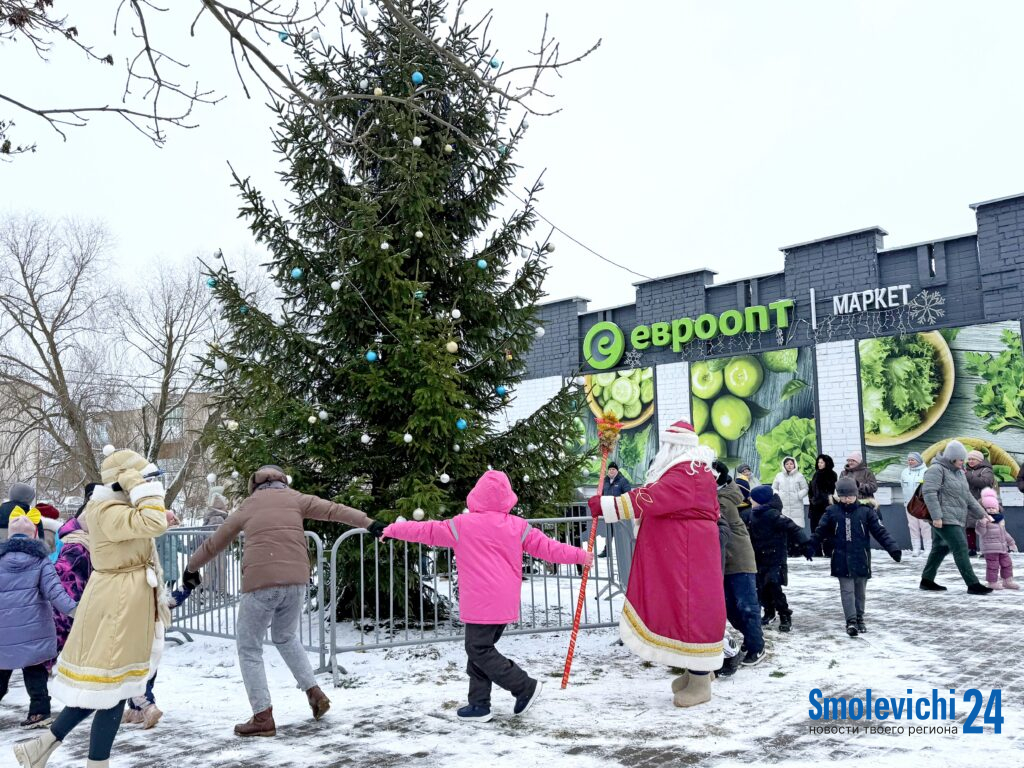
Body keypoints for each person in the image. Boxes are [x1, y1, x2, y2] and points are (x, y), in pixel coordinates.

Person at [183, 465, 385, 737]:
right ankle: (314, 693)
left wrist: (191, 569)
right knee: (285, 636)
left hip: (261, 583)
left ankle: (262, 716)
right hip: (296, 581)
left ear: (253, 486)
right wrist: (369, 523)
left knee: (249, 646)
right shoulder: (296, 498)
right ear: (283, 481)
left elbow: (215, 543)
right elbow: (334, 510)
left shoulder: (248, 506)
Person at [384, 470, 590, 722]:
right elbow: (549, 548)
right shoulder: (518, 526)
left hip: (481, 602)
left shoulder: (461, 525)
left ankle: (523, 686)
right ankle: (479, 704)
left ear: (476, 496)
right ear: (508, 498)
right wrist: (580, 556)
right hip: (503, 601)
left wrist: (394, 529)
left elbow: (426, 531)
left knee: (477, 648)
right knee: (479, 649)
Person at [15, 447, 172, 768]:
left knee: (112, 688)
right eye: (139, 477)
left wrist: (153, 508)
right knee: (111, 688)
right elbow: (150, 522)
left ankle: (42, 748)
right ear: (124, 481)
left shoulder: (113, 507)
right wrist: (141, 487)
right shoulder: (105, 509)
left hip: (126, 601)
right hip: (117, 604)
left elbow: (145, 529)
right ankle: (70, 755)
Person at [588, 420, 725, 708]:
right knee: (683, 608)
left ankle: (701, 680)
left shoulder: (687, 472)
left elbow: (653, 497)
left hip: (688, 553)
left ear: (675, 446)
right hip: (685, 551)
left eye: (666, 445)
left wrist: (608, 505)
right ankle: (694, 672)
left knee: (691, 610)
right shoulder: (690, 469)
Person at [0, 513, 78, 729]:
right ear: (33, 536)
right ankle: (39, 712)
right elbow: (56, 593)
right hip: (34, 629)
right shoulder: (41, 560)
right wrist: (77, 612)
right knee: (35, 670)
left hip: (3, 630)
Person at [811, 477, 901, 637]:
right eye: (843, 496)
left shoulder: (866, 511)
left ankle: (860, 618)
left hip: (861, 557)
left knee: (860, 591)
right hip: (840, 558)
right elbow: (820, 531)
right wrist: (808, 546)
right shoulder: (832, 512)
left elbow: (880, 532)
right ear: (838, 496)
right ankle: (851, 621)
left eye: (850, 496)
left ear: (856, 495)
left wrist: (893, 548)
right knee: (847, 591)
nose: (847, 499)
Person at [919, 440, 993, 594]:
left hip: (955, 516)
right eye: (961, 459)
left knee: (940, 547)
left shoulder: (959, 472)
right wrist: (937, 517)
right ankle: (973, 584)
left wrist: (982, 515)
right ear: (952, 457)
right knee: (960, 547)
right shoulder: (937, 469)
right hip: (943, 517)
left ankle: (927, 580)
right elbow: (929, 493)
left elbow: (967, 496)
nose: (963, 462)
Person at [712, 461, 765, 670]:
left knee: (747, 605)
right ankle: (750, 639)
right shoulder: (720, 496)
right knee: (730, 608)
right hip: (723, 561)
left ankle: (756, 646)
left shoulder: (722, 501)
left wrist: (726, 479)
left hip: (740, 559)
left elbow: (733, 492)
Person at [744, 485, 811, 633]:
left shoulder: (773, 515)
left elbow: (793, 528)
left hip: (775, 558)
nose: (750, 500)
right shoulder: (752, 514)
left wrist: (805, 545)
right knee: (761, 587)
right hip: (758, 557)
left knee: (774, 587)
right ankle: (769, 612)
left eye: (752, 498)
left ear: (760, 501)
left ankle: (785, 614)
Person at [976, 488, 1018, 590]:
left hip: (1002, 547)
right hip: (990, 548)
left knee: (1007, 564)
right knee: (993, 566)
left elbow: (1004, 533)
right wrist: (982, 523)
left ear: (998, 508)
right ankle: (992, 583)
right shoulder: (982, 520)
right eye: (988, 508)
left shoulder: (1000, 520)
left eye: (993, 507)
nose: (991, 509)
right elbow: (980, 532)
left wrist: (1011, 543)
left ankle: (1007, 581)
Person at [594, 462, 631, 558]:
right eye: (610, 469)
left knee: (620, 533)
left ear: (617, 471)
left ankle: (623, 552)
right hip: (608, 511)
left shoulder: (622, 481)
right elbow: (600, 495)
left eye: (613, 469)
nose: (611, 471)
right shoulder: (605, 482)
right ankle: (607, 551)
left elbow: (628, 494)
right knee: (609, 533)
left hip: (619, 512)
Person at [964, 450, 997, 557]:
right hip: (968, 502)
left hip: (982, 503)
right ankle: (971, 549)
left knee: (985, 528)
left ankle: (986, 550)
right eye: (969, 459)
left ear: (979, 460)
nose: (970, 461)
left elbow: (985, 483)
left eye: (973, 459)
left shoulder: (986, 470)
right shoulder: (965, 470)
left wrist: (968, 475)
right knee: (969, 526)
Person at [900, 452, 930, 556]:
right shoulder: (904, 472)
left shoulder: (926, 471)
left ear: (919, 460)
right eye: (909, 460)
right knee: (913, 527)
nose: (910, 462)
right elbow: (902, 485)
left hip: (923, 505)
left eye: (913, 460)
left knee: (925, 526)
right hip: (909, 504)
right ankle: (916, 548)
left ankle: (928, 549)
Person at [808, 455, 837, 554]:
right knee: (815, 528)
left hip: (825, 506)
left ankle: (828, 550)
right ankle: (817, 551)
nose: (819, 464)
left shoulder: (831, 474)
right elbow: (812, 489)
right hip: (815, 507)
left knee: (827, 528)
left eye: (822, 462)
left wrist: (821, 499)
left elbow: (830, 491)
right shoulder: (816, 474)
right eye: (818, 462)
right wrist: (812, 499)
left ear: (827, 463)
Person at [772, 456, 808, 528]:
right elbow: (774, 488)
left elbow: (805, 488)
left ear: (794, 465)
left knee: (797, 530)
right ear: (783, 465)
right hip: (783, 506)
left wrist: (799, 495)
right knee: (784, 529)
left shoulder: (799, 476)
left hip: (796, 507)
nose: (789, 465)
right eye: (787, 464)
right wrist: (778, 495)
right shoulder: (779, 476)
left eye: (791, 464)